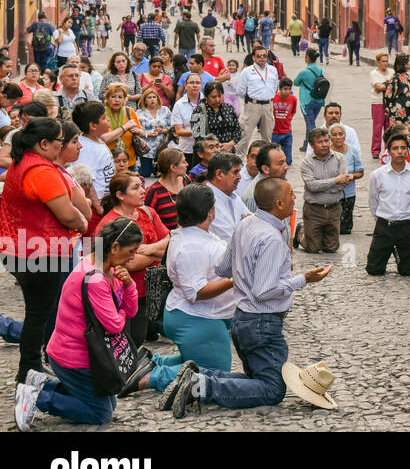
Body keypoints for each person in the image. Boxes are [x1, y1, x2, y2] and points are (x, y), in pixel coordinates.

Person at [165, 177, 332, 417]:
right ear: (279, 204)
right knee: (272, 389)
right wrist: (304, 279)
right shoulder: (272, 239)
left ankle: (200, 375)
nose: (295, 198)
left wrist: (246, 269)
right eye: (291, 195)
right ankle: (201, 385)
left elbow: (223, 268)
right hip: (261, 322)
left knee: (256, 379)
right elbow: (263, 292)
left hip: (243, 319)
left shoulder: (246, 224)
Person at [14, 218, 145, 430]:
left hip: (82, 352)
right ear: (114, 247)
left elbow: (131, 311)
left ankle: (43, 385)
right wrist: (120, 313)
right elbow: (115, 325)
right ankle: (37, 398)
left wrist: (129, 285)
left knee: (108, 402)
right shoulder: (95, 279)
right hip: (74, 357)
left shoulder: (107, 267)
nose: (134, 256)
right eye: (132, 250)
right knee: (100, 413)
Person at [0, 118, 91, 385]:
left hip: (19, 247)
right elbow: (68, 215)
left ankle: (31, 365)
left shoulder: (20, 162)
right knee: (40, 314)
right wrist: (83, 224)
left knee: (36, 312)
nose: (61, 146)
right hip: (41, 251)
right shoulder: (42, 171)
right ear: (43, 144)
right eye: (59, 142)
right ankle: (30, 367)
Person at [130, 184, 238, 397]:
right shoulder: (192, 245)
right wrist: (234, 280)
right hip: (197, 317)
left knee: (201, 360)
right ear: (210, 212)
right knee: (213, 374)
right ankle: (149, 378)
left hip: (203, 317)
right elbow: (196, 292)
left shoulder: (191, 235)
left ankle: (153, 362)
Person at [85, 171, 170, 347]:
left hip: (149, 289)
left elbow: (169, 243)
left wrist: (147, 249)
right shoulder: (110, 224)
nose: (143, 190)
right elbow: (130, 263)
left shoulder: (148, 212)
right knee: (126, 341)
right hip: (121, 291)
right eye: (136, 187)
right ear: (120, 195)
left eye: (141, 185)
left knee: (138, 339)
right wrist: (156, 254)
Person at [363, 130, 410, 276]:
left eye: (403, 148)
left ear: (407, 150)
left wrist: (405, 216)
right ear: (389, 152)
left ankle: (399, 254)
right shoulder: (378, 175)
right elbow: (373, 201)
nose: (400, 152)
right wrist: (382, 219)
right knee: (374, 270)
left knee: (408, 271)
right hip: (385, 226)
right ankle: (387, 249)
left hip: (406, 226)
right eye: (395, 148)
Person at [298, 128, 351, 255]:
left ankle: (316, 235)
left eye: (326, 141)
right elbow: (312, 186)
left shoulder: (340, 158)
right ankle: (300, 234)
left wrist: (325, 185)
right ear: (312, 145)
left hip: (334, 208)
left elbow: (343, 183)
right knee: (314, 248)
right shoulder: (306, 163)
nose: (325, 144)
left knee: (332, 248)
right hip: (314, 209)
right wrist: (335, 181)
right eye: (320, 142)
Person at [232, 45, 278, 155]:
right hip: (252, 106)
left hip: (268, 105)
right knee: (245, 135)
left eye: (264, 56)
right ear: (253, 57)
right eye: (259, 56)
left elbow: (275, 88)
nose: (262, 58)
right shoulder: (247, 71)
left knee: (267, 136)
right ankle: (239, 159)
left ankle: (266, 159)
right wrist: (250, 101)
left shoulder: (273, 70)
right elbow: (240, 90)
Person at [72, 102, 119, 204]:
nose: (108, 120)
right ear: (93, 125)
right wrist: (97, 205)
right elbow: (86, 182)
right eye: (104, 118)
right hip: (96, 205)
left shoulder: (96, 140)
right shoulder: (86, 148)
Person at [329, 124, 364, 236]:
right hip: (331, 193)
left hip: (348, 193)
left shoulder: (353, 151)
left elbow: (360, 171)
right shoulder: (326, 152)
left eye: (340, 134)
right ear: (330, 137)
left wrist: (352, 176)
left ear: (345, 136)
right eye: (334, 135)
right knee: (331, 227)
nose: (338, 137)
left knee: (345, 229)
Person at [145, 147, 190, 230]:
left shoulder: (186, 181)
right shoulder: (153, 192)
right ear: (173, 167)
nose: (187, 164)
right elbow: (147, 221)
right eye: (183, 162)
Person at [292, 49, 327, 146]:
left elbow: (295, 82)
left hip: (307, 101)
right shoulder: (319, 70)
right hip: (319, 100)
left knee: (310, 125)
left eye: (305, 56)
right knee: (311, 123)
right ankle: (306, 144)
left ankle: (314, 145)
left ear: (308, 57)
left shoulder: (304, 72)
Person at [196, 82, 241, 154]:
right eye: (213, 97)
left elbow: (237, 130)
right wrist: (217, 146)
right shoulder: (199, 111)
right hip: (211, 154)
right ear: (206, 96)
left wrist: (231, 144)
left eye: (219, 96)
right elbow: (198, 136)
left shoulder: (229, 108)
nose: (217, 99)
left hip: (229, 152)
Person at [382, 53, 410, 141]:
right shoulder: (395, 78)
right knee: (397, 134)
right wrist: (390, 109)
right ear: (404, 64)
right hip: (398, 112)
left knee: (406, 134)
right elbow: (388, 95)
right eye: (409, 61)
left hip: (407, 111)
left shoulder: (406, 76)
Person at [368, 51, 394, 158]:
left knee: (389, 128)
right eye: (383, 61)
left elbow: (390, 86)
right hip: (378, 103)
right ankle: (375, 151)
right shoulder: (374, 73)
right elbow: (378, 88)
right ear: (378, 62)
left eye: (386, 61)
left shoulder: (391, 71)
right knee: (377, 128)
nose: (385, 63)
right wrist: (389, 83)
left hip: (390, 103)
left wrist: (385, 84)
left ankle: (388, 150)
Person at [270, 77, 296, 166]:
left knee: (288, 161)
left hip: (287, 132)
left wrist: (287, 120)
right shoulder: (273, 98)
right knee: (274, 158)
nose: (287, 91)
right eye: (285, 89)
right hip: (275, 132)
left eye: (289, 89)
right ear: (280, 89)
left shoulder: (293, 99)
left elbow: (293, 112)